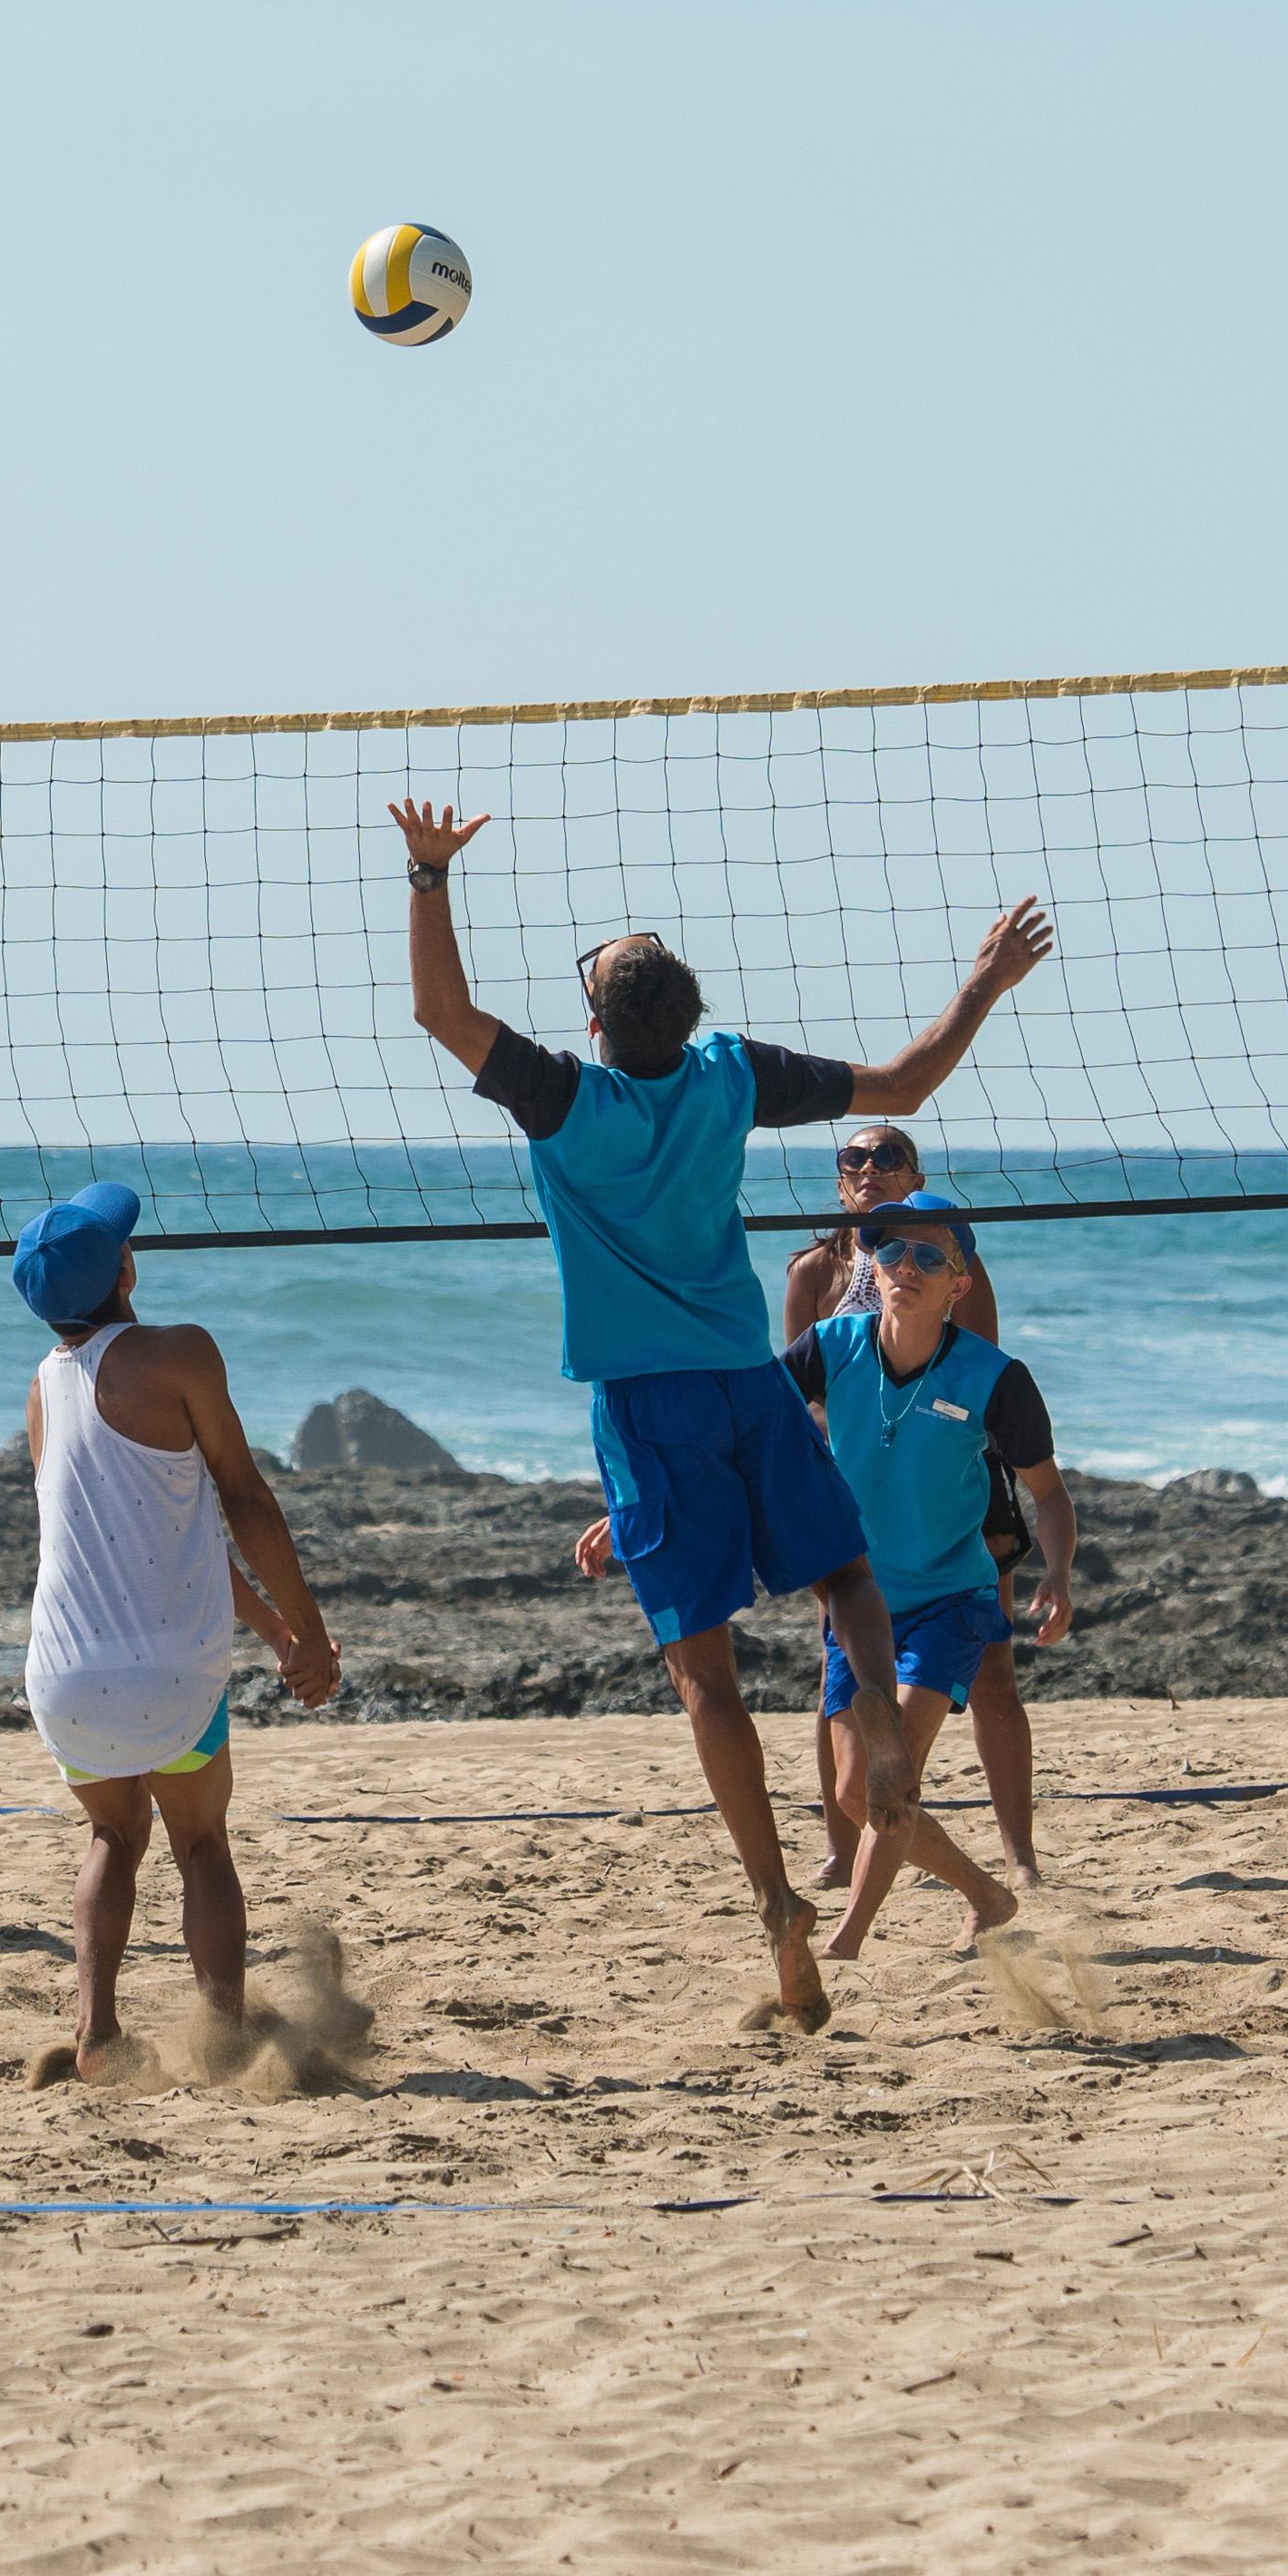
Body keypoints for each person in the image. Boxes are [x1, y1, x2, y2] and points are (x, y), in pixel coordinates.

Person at [390, 794, 1047, 2024]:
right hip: (748, 1375)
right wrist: (985, 985)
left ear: (592, 1025)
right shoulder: (729, 1076)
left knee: (710, 1682)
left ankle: (778, 1904)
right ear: (683, 1019)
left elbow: (438, 1011)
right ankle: (889, 1749)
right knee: (850, 1580)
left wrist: (431, 878)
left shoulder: (565, 1098)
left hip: (645, 1411)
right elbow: (908, 1075)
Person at [5, 1181, 345, 2081]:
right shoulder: (179, 1352)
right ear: (125, 1268)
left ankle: (96, 2033)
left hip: (63, 1676)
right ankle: (225, 2036)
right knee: (200, 1846)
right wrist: (308, 1632)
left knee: (112, 1839)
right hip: (169, 1674)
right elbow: (242, 1497)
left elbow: (165, 1536)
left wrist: (270, 1625)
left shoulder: (41, 1388)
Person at [780, 1120, 1068, 1878]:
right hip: (855, 1503)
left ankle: (1018, 1855)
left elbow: (979, 1386)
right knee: (840, 1675)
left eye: (888, 1157)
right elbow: (793, 1407)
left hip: (957, 1486)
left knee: (994, 1672)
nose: (869, 1168)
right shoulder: (815, 1270)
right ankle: (846, 1850)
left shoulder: (947, 1262)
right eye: (854, 1158)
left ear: (915, 1176)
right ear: (841, 1181)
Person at [805, 1194, 1043, 1956]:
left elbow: (1052, 1495)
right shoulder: (828, 1345)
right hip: (859, 1598)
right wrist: (641, 1504)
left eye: (929, 1257)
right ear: (872, 1265)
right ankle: (985, 1892)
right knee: (853, 1788)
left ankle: (846, 1943)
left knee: (890, 1773)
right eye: (892, 1251)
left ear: (959, 1284)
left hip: (954, 1598)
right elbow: (743, 1430)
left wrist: (1059, 1574)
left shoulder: (994, 1377)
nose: (906, 1266)